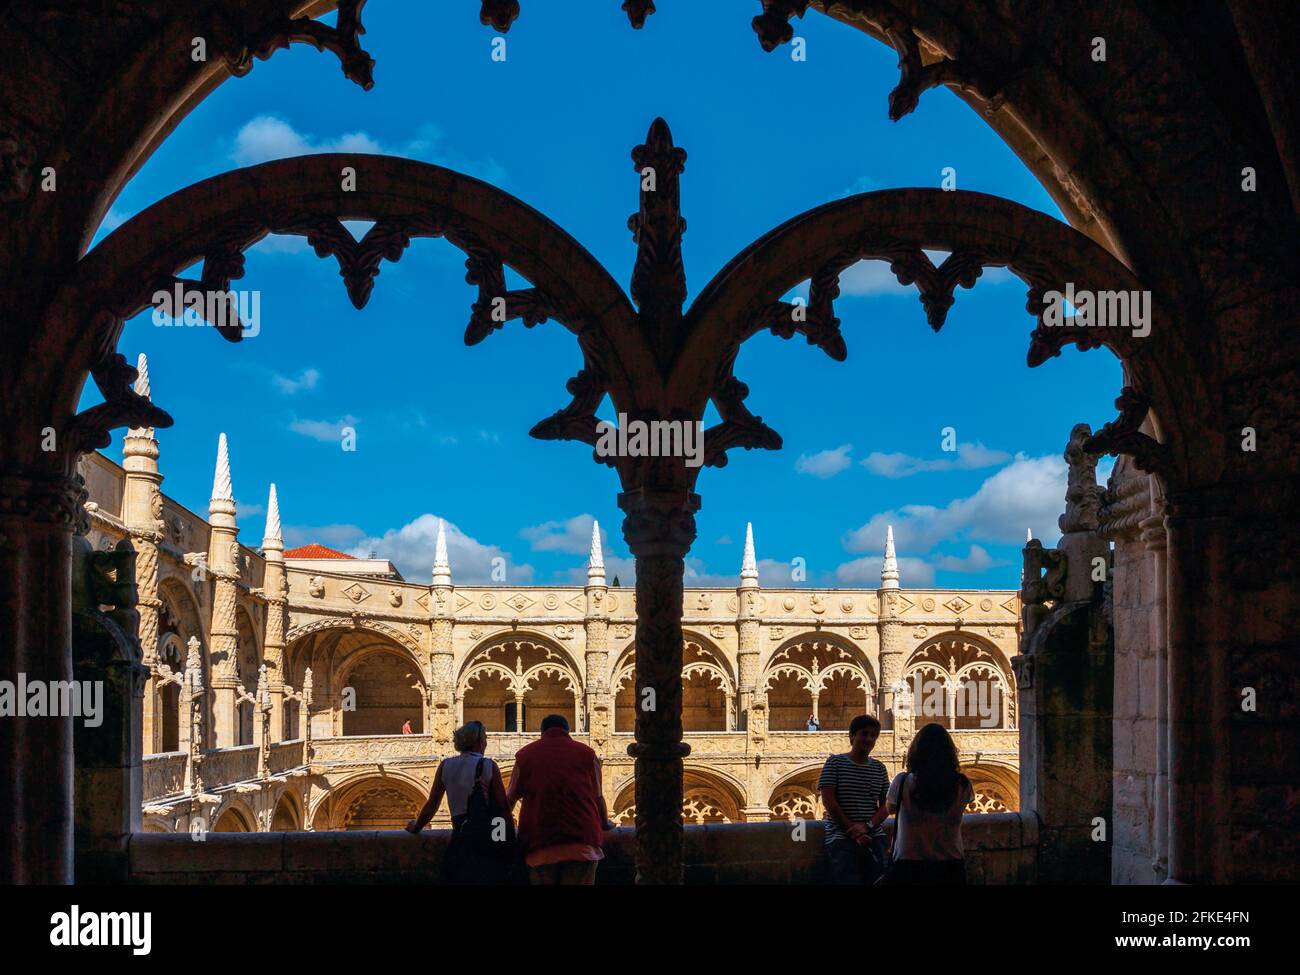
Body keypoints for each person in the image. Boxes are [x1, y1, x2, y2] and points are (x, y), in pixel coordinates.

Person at [507, 714, 615, 885]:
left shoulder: (525, 756)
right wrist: (604, 822)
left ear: (542, 732)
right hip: (582, 844)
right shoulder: (588, 754)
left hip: (540, 845)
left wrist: (500, 830)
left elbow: (510, 800)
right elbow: (597, 796)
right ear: (568, 731)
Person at [405, 720, 513, 884]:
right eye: (484, 738)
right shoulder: (488, 765)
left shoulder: (445, 765)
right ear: (479, 741)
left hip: (460, 838)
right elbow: (502, 807)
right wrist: (505, 840)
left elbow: (432, 804)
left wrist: (417, 826)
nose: (485, 742)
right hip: (487, 838)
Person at [872, 721, 973, 885]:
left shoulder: (902, 782)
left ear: (916, 752)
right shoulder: (963, 784)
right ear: (950, 753)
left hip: (909, 864)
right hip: (951, 864)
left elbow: (890, 808)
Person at [818, 714, 890, 884]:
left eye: (873, 735)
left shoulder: (879, 768)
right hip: (841, 836)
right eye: (864, 733)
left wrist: (868, 826)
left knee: (878, 881)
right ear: (852, 736)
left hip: (873, 836)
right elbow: (828, 800)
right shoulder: (834, 762)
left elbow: (887, 805)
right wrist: (851, 829)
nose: (869, 739)